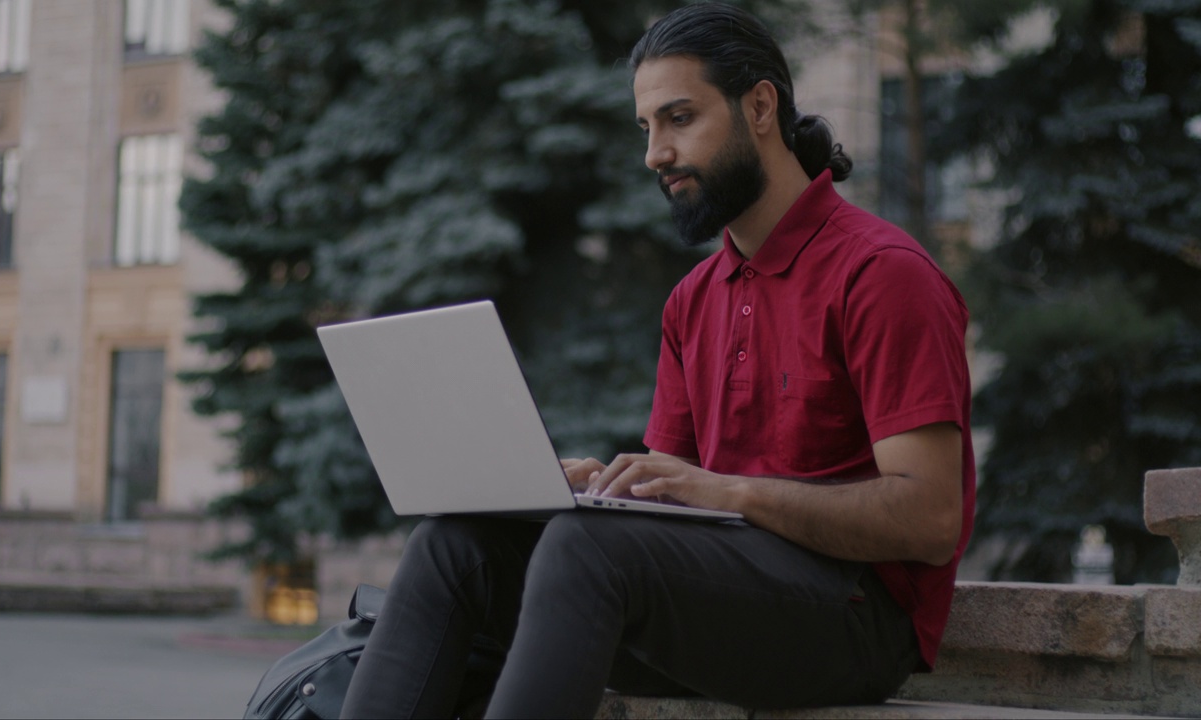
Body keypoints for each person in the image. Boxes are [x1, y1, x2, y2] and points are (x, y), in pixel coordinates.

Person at [340, 3, 975, 718]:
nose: (655, 154)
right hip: (718, 610)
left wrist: (730, 492)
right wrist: (600, 487)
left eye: (679, 119)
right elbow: (664, 511)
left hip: (853, 621)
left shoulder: (882, 273)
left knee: (588, 550)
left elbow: (928, 517)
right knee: (457, 546)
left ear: (760, 106)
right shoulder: (693, 300)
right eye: (647, 128)